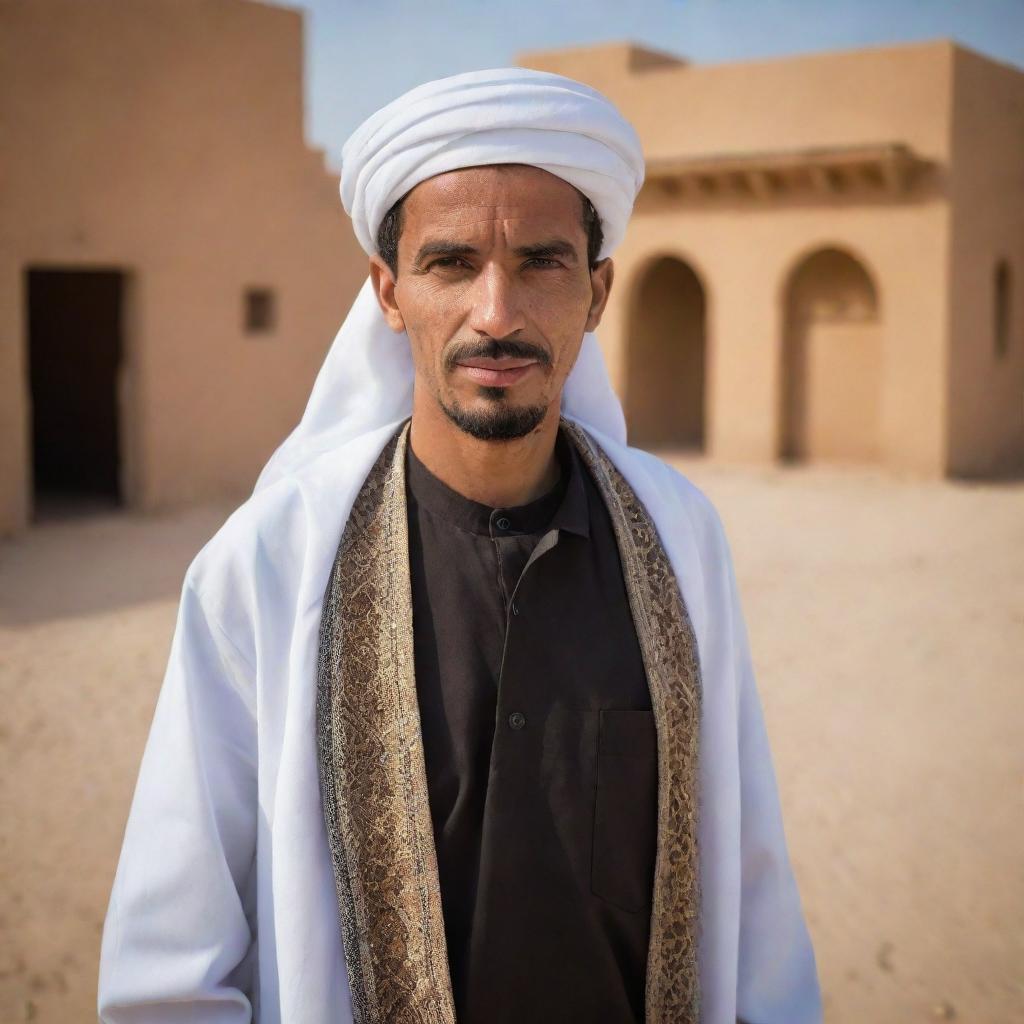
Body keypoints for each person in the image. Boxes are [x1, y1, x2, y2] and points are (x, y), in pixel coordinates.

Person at [97, 68, 821, 1024]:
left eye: (542, 263)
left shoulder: (681, 539)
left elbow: (752, 890)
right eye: (450, 264)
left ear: (598, 293)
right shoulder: (269, 567)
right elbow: (168, 976)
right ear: (389, 292)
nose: (496, 313)